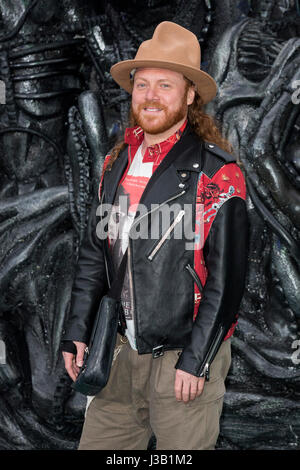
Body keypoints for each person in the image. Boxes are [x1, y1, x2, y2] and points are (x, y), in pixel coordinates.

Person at [61, 21, 249, 450]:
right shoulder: (116, 164)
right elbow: (95, 253)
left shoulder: (219, 174)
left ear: (189, 95)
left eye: (165, 84)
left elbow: (227, 280)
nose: (150, 95)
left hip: (182, 361)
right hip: (118, 352)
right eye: (142, 84)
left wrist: (197, 360)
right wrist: (78, 330)